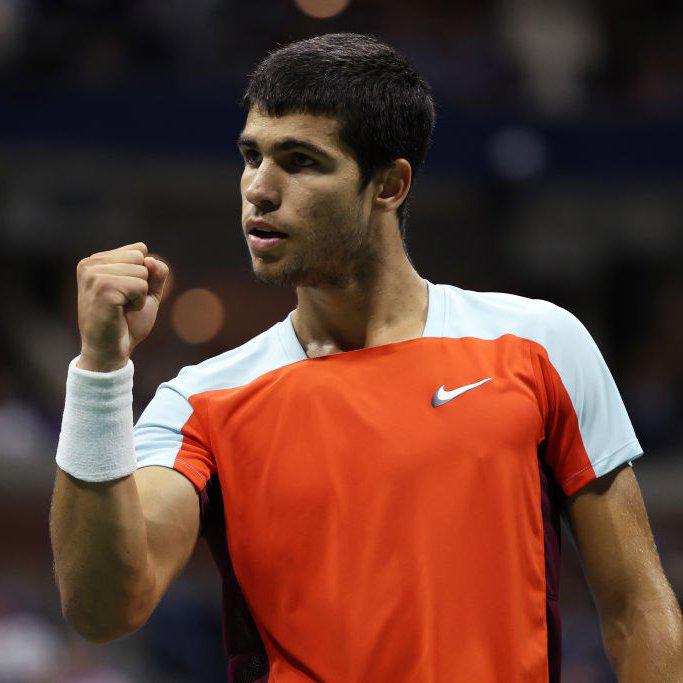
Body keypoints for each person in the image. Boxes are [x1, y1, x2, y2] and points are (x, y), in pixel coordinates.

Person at [50, 33, 683, 682]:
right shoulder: (199, 403)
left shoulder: (541, 345)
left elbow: (636, 603)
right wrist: (99, 371)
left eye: (299, 161)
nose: (258, 189)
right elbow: (103, 607)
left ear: (388, 184)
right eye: (250, 155)